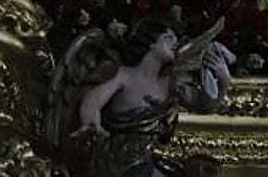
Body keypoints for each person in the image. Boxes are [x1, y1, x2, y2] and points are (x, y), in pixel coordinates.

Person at [74, 17, 233, 177]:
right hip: (117, 159)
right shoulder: (125, 76)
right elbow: (93, 101)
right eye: (168, 38)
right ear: (151, 43)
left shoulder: (170, 84)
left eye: (176, 39)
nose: (175, 43)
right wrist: (92, 123)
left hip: (147, 159)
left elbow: (205, 106)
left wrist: (224, 82)